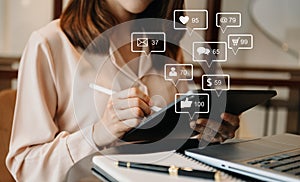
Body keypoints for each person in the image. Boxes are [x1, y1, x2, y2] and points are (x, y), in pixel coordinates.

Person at [6, 0, 240, 181]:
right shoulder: (49, 44)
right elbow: (26, 169)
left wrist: (206, 136)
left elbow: (172, 145)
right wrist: (98, 133)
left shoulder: (165, 47)